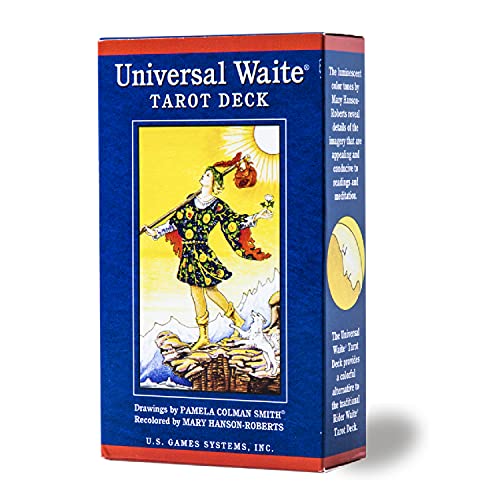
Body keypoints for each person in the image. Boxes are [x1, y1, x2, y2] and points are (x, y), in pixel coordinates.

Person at [142, 165, 272, 350]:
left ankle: (223, 325)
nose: (204, 175)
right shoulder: (190, 200)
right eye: (205, 173)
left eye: (208, 174)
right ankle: (214, 330)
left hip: (202, 253)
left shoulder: (218, 205)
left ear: (215, 182)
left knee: (209, 290)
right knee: (198, 292)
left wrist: (257, 216)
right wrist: (155, 232)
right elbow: (174, 223)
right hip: (189, 253)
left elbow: (234, 222)